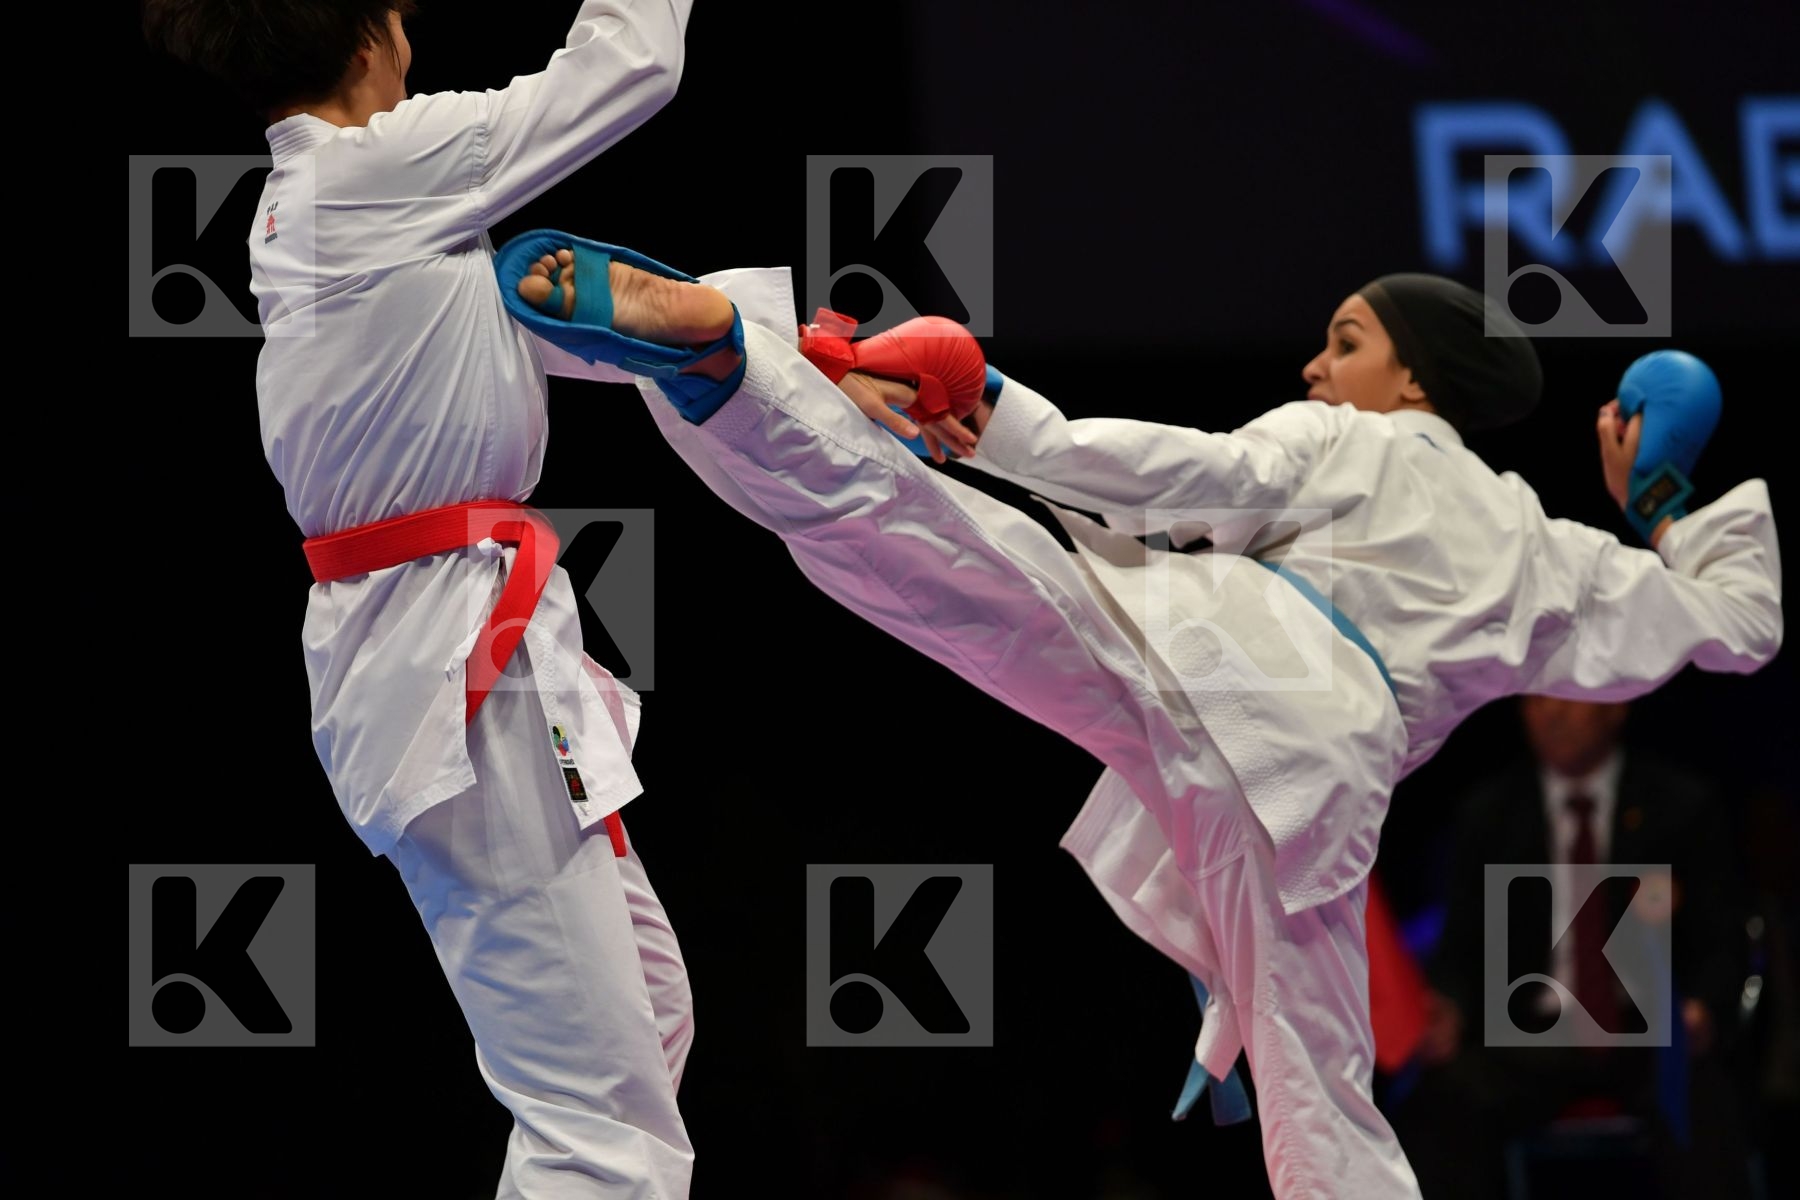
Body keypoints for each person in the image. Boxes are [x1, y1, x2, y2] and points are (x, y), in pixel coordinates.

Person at [500, 240, 1783, 1199]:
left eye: (1342, 343)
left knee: (944, 554)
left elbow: (1192, 471)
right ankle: (734, 368)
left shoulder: (1355, 442)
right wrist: (1662, 497)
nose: (1313, 364)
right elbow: (1737, 625)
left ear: (1408, 381)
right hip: (1317, 794)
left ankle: (734, 364)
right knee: (1326, 1099)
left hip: (1219, 666)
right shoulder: (1549, 554)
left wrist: (1001, 410)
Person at [141, 4, 708, 1195]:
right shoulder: (372, 172)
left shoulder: (334, 206)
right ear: (363, 43)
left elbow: (543, 324)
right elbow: (633, 63)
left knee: (644, 1021)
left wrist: (777, 353)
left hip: (464, 649)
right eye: (398, 14)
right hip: (451, 670)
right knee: (598, 1132)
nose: (414, 33)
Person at [1401, 695, 1752, 1198]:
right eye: (1534, 698)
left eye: (1566, 695)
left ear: (1616, 703)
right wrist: (1448, 1008)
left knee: (1702, 1096)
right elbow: (1460, 949)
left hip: (1647, 1028)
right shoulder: (1490, 814)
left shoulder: (1681, 805)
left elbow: (1722, 941)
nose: (1550, 713)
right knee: (1442, 1097)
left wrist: (1702, 1009)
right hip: (1526, 1032)